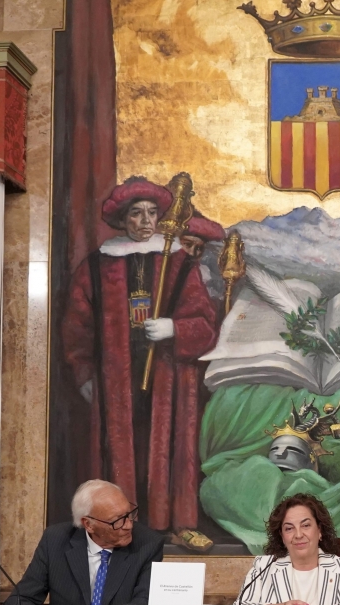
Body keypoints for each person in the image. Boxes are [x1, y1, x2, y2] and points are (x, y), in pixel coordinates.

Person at [60, 176, 220, 552]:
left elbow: (205, 325)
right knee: (121, 448)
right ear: (122, 219)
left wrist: (173, 328)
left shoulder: (178, 262)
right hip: (115, 376)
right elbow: (76, 325)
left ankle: (177, 524)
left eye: (152, 213)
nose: (146, 221)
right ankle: (119, 527)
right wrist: (84, 373)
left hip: (168, 378)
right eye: (136, 213)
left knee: (168, 447)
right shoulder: (98, 266)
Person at [3, 480, 163, 605]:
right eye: (117, 521)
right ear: (88, 524)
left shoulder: (148, 542)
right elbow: (19, 599)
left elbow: (147, 601)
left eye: (129, 515)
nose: (128, 525)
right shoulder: (56, 540)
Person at [233, 493, 340, 605]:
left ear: (319, 530)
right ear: (282, 537)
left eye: (306, 525)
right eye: (289, 528)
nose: (298, 534)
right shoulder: (263, 567)